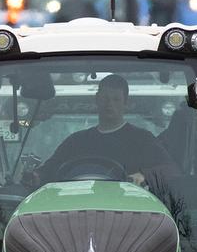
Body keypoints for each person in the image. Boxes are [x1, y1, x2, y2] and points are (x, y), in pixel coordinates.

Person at [39, 74, 177, 187]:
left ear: (125, 103)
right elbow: (49, 170)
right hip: (79, 209)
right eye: (105, 98)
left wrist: (144, 175)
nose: (109, 104)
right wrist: (35, 176)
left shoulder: (142, 139)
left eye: (116, 99)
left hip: (129, 212)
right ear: (97, 99)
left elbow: (170, 170)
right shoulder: (76, 141)